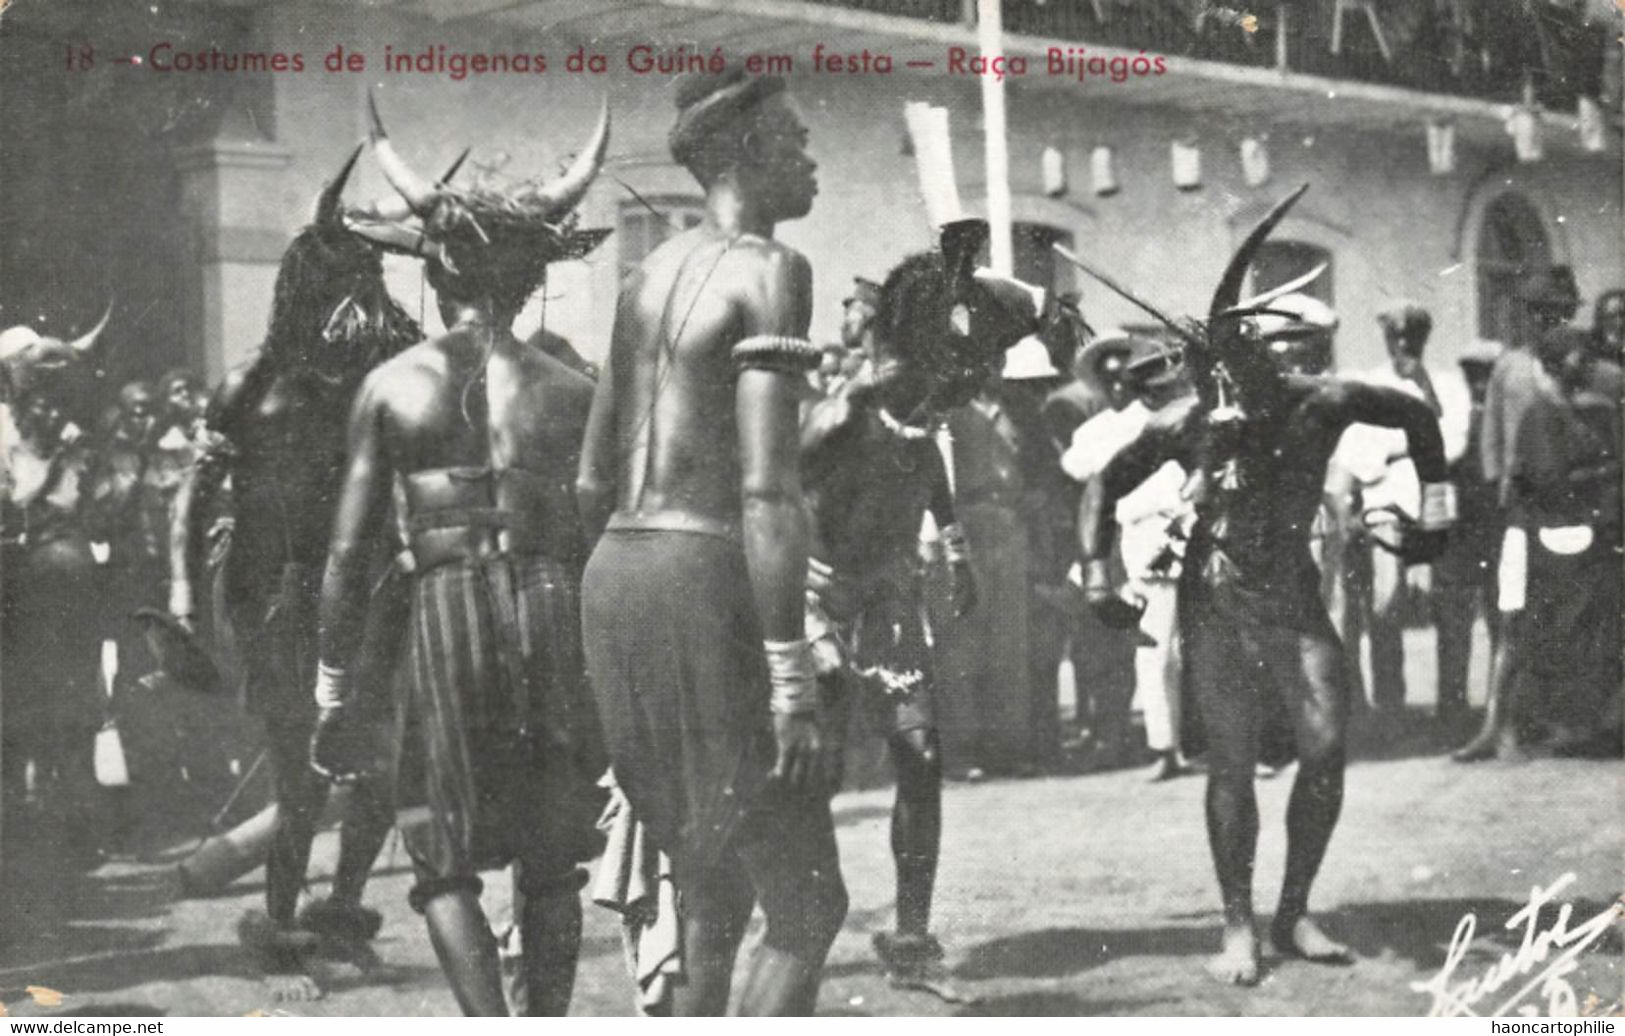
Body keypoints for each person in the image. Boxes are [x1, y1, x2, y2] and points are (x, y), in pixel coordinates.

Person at [1073, 186, 1454, 986]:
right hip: (1215, 599)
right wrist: (1097, 573)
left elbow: (1418, 419)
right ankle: (1237, 925)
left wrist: (1436, 512)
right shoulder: (1190, 421)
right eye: (1219, 383)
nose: (1233, 401)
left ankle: (1294, 910)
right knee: (1231, 764)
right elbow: (1103, 484)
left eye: (1245, 381)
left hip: (1295, 594)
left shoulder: (1321, 404)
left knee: (1324, 750)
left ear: (1272, 364)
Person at [311, 97, 613, 1016]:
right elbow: (594, 529)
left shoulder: (394, 386)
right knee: (550, 859)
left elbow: (348, 554)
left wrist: (331, 686)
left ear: (433, 274)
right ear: (530, 279)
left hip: (444, 612)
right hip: (554, 604)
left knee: (441, 862)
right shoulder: (572, 391)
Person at [575, 72, 847, 1016]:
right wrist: (788, 679)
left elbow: (586, 480)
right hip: (704, 579)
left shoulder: (641, 279)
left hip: (617, 573)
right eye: (795, 139)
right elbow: (768, 491)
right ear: (743, 153)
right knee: (809, 904)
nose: (811, 158)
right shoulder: (773, 269)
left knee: (708, 883)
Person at [169, 148, 408, 999]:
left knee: (376, 769)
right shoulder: (248, 386)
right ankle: (283, 928)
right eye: (349, 283)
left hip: (363, 588)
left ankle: (342, 913)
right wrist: (183, 597)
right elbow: (192, 500)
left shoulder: (379, 385)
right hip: (271, 596)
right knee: (300, 773)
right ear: (309, 286)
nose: (364, 304)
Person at [799, 225, 1040, 1000]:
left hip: (894, 604)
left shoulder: (923, 435)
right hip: (820, 606)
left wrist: (960, 559)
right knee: (807, 778)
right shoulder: (840, 417)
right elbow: (765, 509)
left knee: (922, 761)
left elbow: (939, 501)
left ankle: (910, 937)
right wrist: (802, 624)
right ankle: (788, 939)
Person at [1458, 328, 1620, 761]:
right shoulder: (1541, 413)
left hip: (1556, 532)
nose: (1586, 363)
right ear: (1555, 360)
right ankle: (1499, 728)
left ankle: (1536, 725)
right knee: (1519, 628)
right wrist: (1609, 473)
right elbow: (1552, 482)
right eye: (1577, 356)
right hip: (1533, 531)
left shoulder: (1577, 409)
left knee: (1548, 627)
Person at [1330, 303, 1471, 718]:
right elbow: (1359, 451)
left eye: (1413, 337)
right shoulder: (1368, 385)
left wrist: (1420, 405)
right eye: (1396, 337)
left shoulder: (1447, 383)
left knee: (1448, 604)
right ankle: (1392, 703)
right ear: (1386, 338)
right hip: (1385, 505)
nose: (1404, 345)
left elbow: (1455, 443)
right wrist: (1420, 440)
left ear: (1425, 339)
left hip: (1435, 502)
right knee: (1385, 607)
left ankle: (1453, 700)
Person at [0, 313, 107, 856]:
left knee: (68, 697)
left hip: (52, 567)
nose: (40, 387)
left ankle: (73, 828)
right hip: (18, 570)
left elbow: (72, 499)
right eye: (30, 374)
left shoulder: (66, 429)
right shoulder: (7, 425)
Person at [1069, 334, 1196, 782]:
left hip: (1190, 527)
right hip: (1141, 539)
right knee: (1154, 646)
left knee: (1201, 645)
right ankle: (1163, 746)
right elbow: (1095, 491)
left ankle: (1206, 740)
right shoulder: (1103, 431)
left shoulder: (1182, 419)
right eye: (1119, 381)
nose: (1131, 388)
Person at [1057, 328, 1141, 767]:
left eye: (1124, 377)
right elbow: (1079, 478)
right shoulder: (1092, 431)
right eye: (1108, 379)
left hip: (1143, 534)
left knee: (1136, 637)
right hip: (1101, 540)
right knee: (1093, 638)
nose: (1117, 387)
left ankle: (1133, 731)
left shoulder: (1150, 422)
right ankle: (1104, 727)